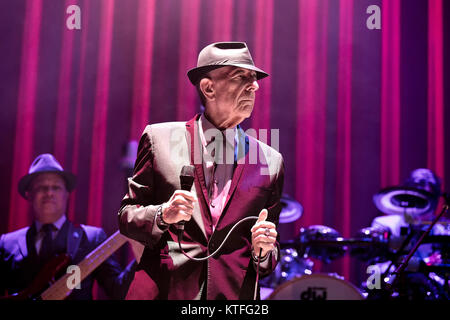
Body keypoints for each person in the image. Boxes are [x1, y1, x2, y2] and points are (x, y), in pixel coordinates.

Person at [118, 42, 285, 300]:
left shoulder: (270, 160)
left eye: (254, 79)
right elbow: (127, 217)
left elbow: (268, 254)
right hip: (165, 292)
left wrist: (263, 250)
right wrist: (164, 214)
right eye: (242, 77)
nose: (255, 86)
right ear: (208, 88)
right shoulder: (159, 139)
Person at [0, 153, 137, 300]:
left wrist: (141, 251)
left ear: (67, 194)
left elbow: (119, 291)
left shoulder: (91, 238)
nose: (49, 193)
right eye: (41, 187)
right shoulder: (6, 243)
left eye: (56, 187)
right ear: (29, 194)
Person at [366, 168, 449, 299]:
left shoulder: (443, 229)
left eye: (428, 198)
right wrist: (424, 264)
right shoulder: (384, 224)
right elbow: (374, 271)